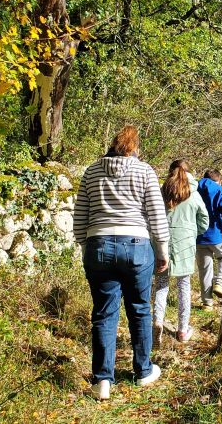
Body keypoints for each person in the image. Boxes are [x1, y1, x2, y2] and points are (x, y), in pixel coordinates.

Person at [73, 125, 169, 401]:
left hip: (98, 245)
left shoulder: (91, 171)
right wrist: (162, 251)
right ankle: (143, 371)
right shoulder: (144, 171)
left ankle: (102, 379)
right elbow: (156, 216)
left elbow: (80, 216)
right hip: (137, 246)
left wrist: (86, 245)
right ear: (135, 148)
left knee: (104, 313)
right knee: (139, 309)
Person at [153, 160, 209, 345]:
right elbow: (204, 221)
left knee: (161, 285)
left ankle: (157, 322)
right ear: (189, 173)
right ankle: (183, 330)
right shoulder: (194, 194)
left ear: (170, 172)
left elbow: (151, 215)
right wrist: (192, 232)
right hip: (185, 244)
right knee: (184, 286)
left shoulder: (161, 192)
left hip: (162, 243)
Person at [196, 169, 222, 309]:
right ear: (219, 180)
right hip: (216, 236)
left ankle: (207, 303)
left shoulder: (194, 188)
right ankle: (219, 282)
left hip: (198, 236)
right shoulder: (220, 191)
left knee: (205, 270)